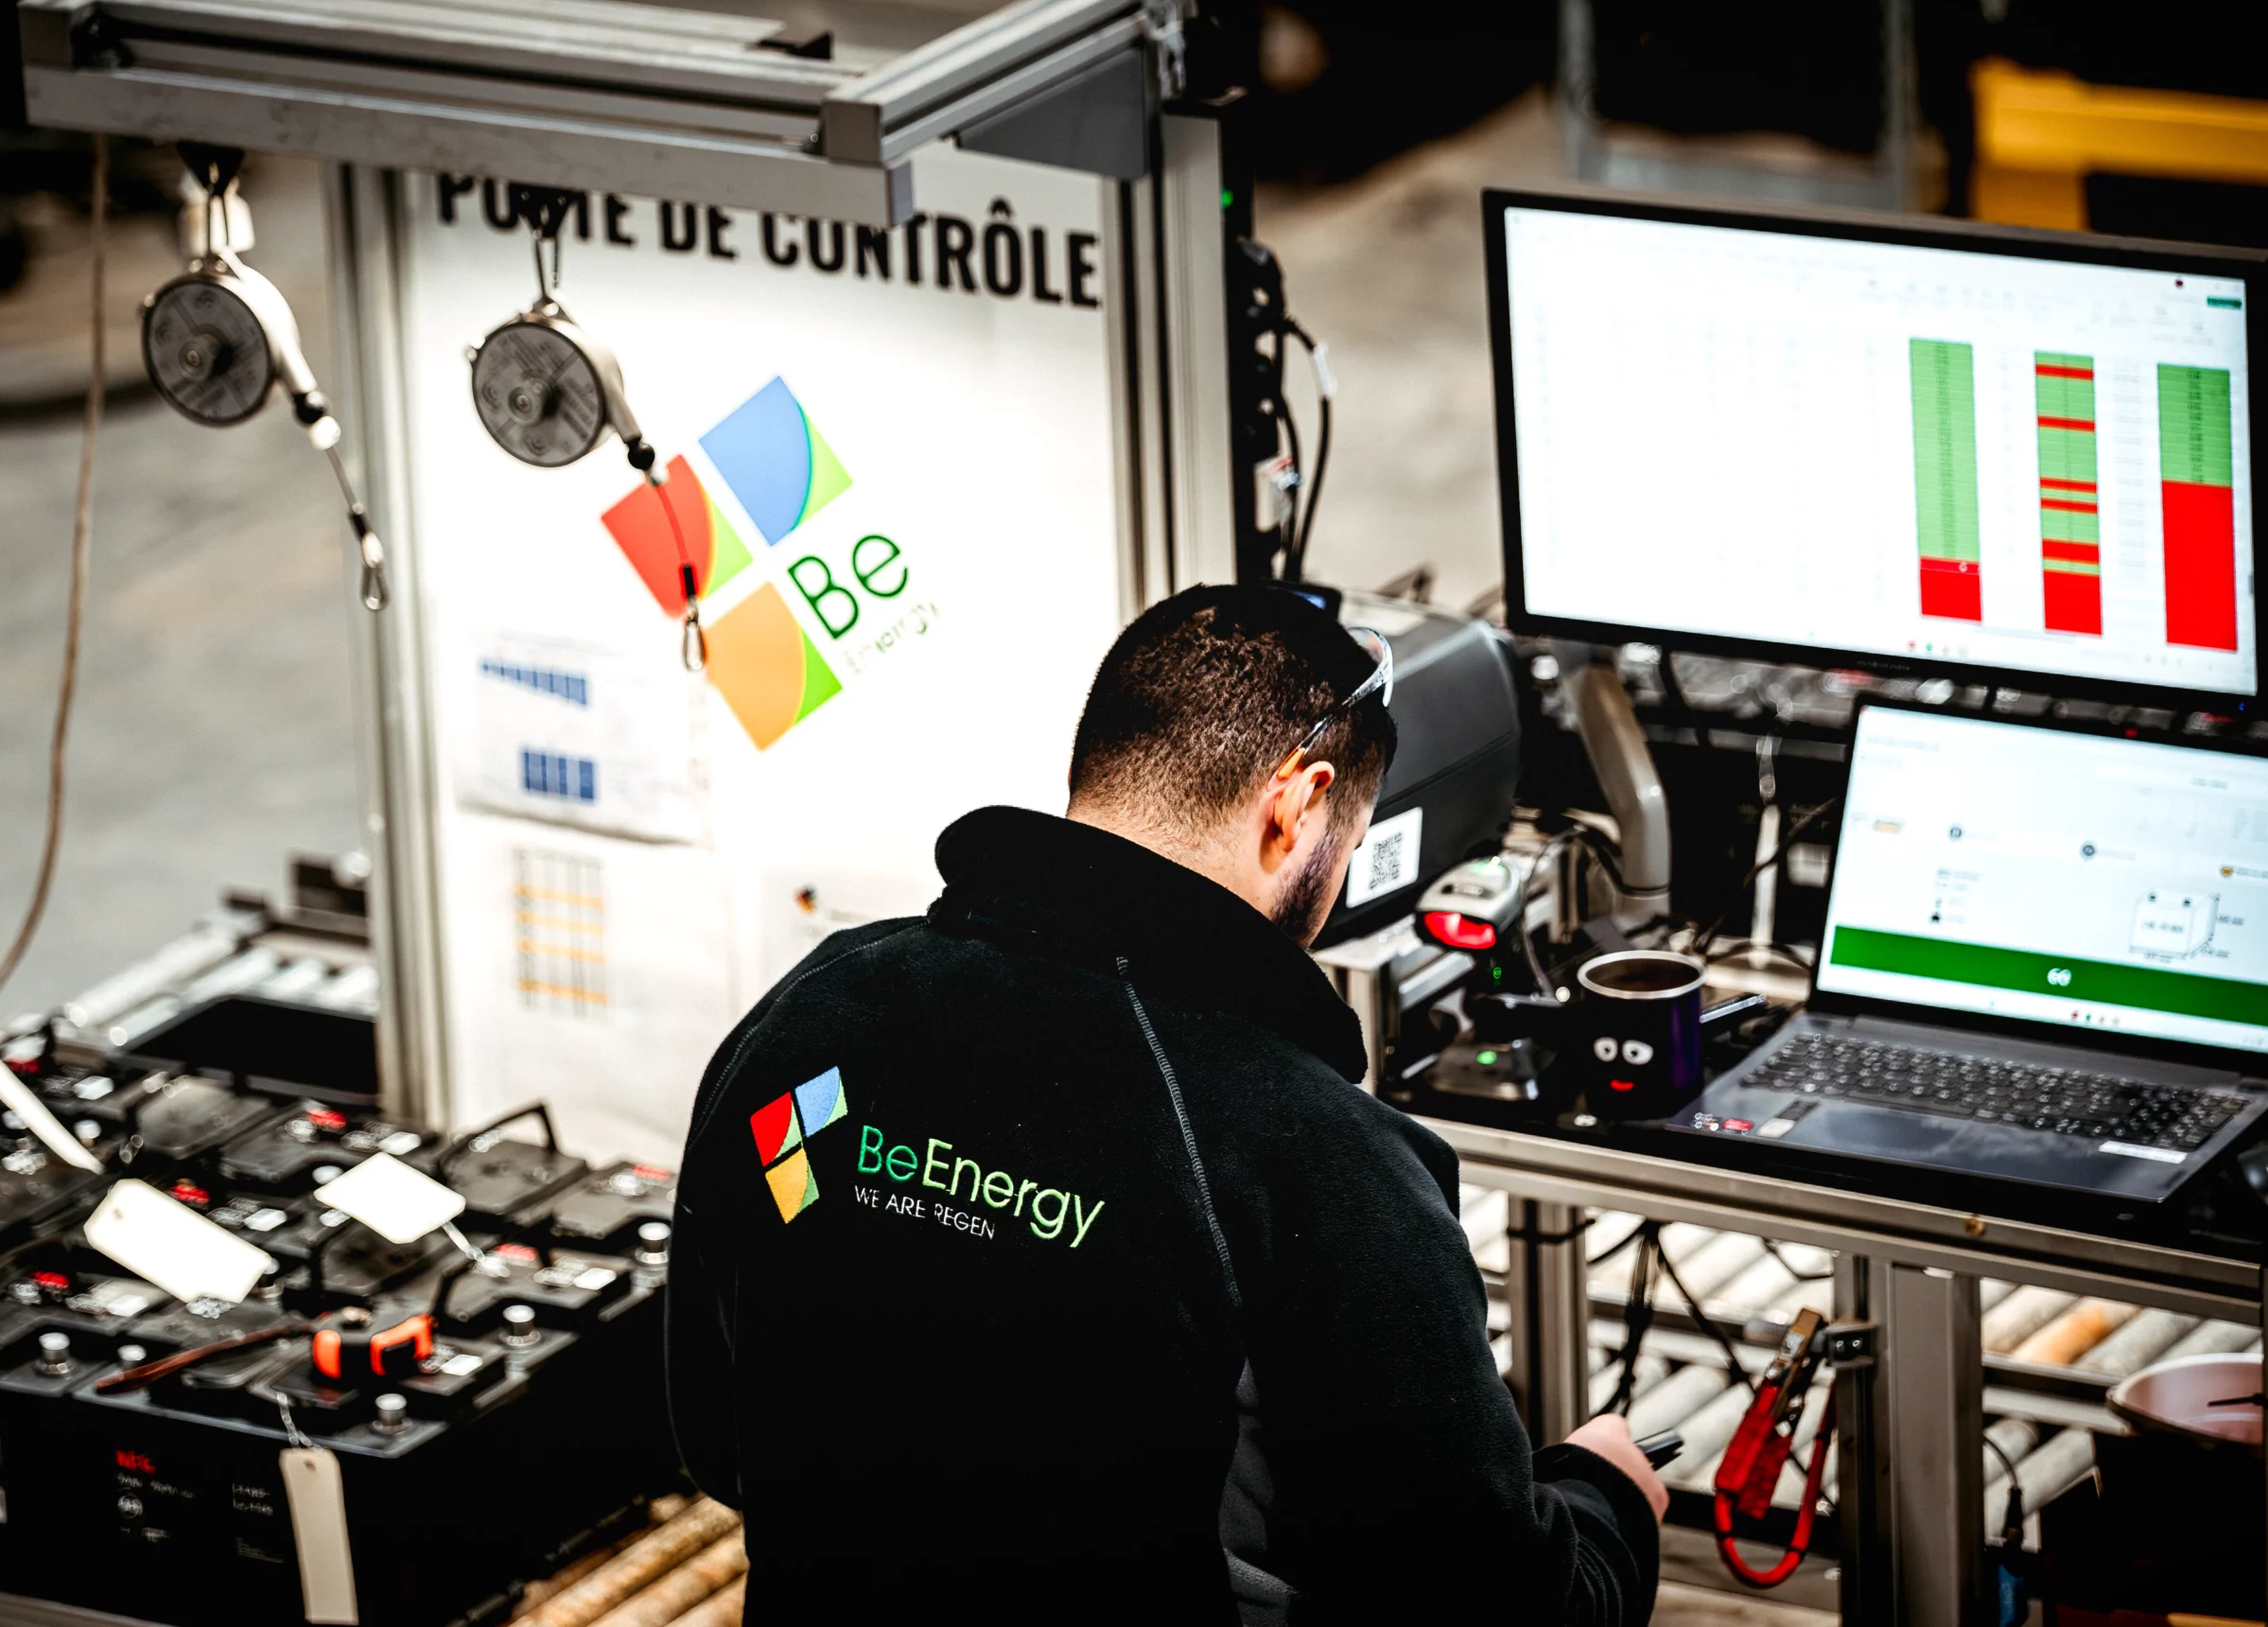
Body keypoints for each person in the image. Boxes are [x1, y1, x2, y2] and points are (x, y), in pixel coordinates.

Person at [666, 584, 1665, 1624]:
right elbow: (1497, 1608)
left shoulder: (811, 1021)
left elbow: (721, 1440)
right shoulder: (1324, 1162)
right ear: (1297, 804)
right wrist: (1605, 1500)